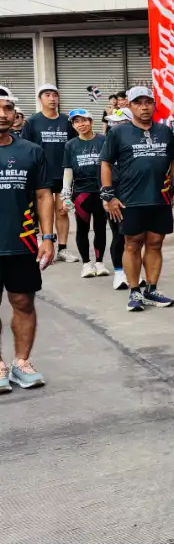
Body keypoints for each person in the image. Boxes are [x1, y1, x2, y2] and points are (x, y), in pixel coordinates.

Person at [100, 86, 174, 312]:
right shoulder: (118, 132)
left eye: (148, 102)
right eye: (138, 103)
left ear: (154, 105)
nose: (144, 107)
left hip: (160, 197)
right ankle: (135, 291)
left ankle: (152, 289)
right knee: (132, 243)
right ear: (129, 105)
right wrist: (108, 194)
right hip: (130, 198)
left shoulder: (164, 131)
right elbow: (106, 162)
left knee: (155, 243)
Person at [0, 88, 56, 393]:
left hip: (22, 243)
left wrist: (47, 237)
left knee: (23, 302)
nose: (2, 114)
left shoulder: (32, 151)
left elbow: (44, 195)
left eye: (8, 108)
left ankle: (22, 363)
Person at [21, 84, 79, 263]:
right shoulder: (32, 122)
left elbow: (75, 145)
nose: (52, 99)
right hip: (41, 175)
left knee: (62, 211)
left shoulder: (67, 121)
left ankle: (62, 248)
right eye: (47, 95)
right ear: (40, 99)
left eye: (55, 95)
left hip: (63, 174)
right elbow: (25, 148)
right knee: (43, 212)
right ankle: (46, 247)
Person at [61, 109, 110, 278]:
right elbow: (68, 170)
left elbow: (111, 165)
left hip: (101, 192)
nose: (81, 124)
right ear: (73, 125)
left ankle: (99, 262)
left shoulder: (103, 140)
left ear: (91, 121)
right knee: (82, 229)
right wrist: (66, 195)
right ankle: (86, 264)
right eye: (76, 122)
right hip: (81, 194)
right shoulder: (70, 145)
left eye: (84, 120)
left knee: (100, 228)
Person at [102, 108, 133, 289]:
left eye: (118, 123)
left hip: (135, 196)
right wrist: (107, 197)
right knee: (119, 235)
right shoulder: (109, 144)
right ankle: (119, 273)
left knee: (136, 238)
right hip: (116, 197)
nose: (113, 126)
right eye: (112, 123)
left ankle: (133, 272)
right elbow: (101, 172)